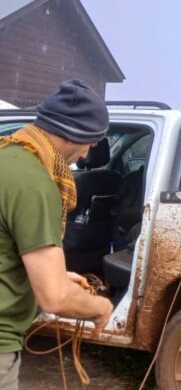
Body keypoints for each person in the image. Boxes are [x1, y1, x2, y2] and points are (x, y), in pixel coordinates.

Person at [0, 80, 114, 390]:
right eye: (92, 142)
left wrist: (58, 274)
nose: (88, 153)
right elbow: (55, 297)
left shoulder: (7, 157)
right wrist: (101, 308)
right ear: (75, 134)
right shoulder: (35, 184)